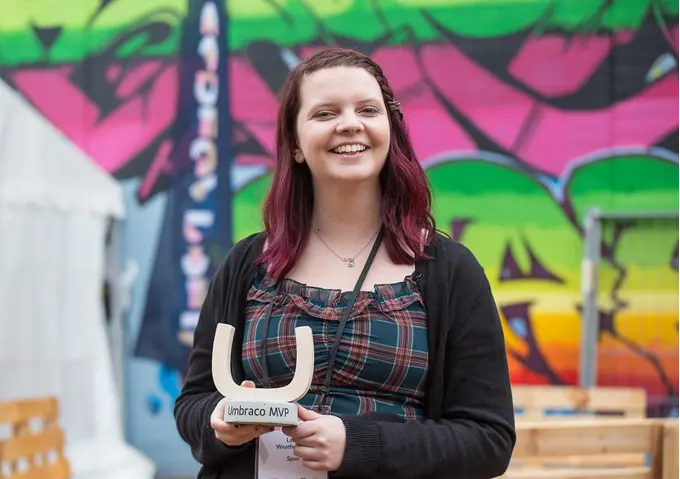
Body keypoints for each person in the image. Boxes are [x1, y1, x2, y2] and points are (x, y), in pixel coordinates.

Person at [174, 47, 515, 479]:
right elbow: (193, 404)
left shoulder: (450, 271)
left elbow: (489, 440)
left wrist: (360, 445)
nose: (350, 123)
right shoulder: (247, 263)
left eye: (368, 109)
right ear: (295, 145)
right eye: (325, 113)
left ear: (389, 129)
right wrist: (220, 424)